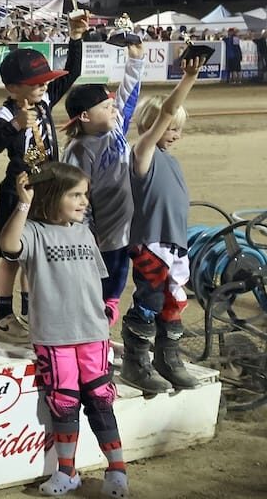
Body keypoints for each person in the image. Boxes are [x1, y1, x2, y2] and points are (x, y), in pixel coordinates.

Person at [0, 165, 129, 499]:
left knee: (100, 398)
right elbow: (9, 244)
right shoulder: (34, 232)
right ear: (53, 197)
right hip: (54, 336)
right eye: (75, 195)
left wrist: (108, 306)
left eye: (85, 194)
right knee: (64, 401)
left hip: (93, 332)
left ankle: (117, 470)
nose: (84, 201)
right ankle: (67, 471)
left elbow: (95, 279)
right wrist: (23, 202)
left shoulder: (84, 231)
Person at [0, 15, 85, 345]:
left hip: (45, 190)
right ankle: (3, 317)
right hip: (19, 193)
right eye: (37, 81)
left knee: (35, 256)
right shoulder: (6, 112)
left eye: (46, 81)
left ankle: (32, 313)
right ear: (13, 88)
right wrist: (15, 124)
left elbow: (72, 74)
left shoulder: (44, 101)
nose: (44, 86)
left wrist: (75, 39)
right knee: (12, 257)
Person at [120, 57, 205, 393]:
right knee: (149, 300)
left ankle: (166, 359)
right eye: (170, 127)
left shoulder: (171, 161)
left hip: (172, 244)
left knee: (172, 301)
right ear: (151, 126)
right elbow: (167, 111)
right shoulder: (143, 154)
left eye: (178, 129)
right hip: (149, 243)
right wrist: (188, 79)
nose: (175, 133)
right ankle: (135, 361)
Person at [61, 43, 146, 357]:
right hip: (100, 240)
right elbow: (74, 200)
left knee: (114, 293)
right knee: (96, 293)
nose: (113, 109)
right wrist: (85, 238)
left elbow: (129, 96)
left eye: (111, 106)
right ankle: (90, 343)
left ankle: (100, 339)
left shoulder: (116, 130)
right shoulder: (78, 151)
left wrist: (135, 59)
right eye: (105, 106)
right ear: (85, 115)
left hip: (125, 232)